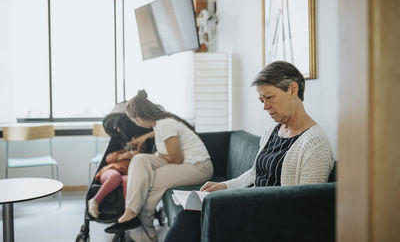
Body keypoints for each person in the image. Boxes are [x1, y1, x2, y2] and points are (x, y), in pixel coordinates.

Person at [164, 60, 335, 242]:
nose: (265, 106)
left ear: (293, 89)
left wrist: (243, 203)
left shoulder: (315, 144)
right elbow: (255, 173)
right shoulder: (272, 130)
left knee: (197, 216)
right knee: (191, 211)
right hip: (252, 205)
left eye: (269, 98)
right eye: (262, 100)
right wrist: (225, 186)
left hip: (269, 219)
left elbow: (305, 207)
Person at [104, 90, 213, 242]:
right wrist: (144, 138)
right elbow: (165, 142)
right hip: (185, 163)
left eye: (133, 120)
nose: (135, 124)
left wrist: (155, 155)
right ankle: (130, 211)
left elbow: (176, 158)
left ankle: (146, 234)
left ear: (139, 117)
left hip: (198, 167)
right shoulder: (161, 123)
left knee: (151, 181)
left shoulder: (165, 124)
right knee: (139, 160)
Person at [87, 143, 146, 219]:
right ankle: (95, 200)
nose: (138, 148)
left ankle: (128, 212)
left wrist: (138, 157)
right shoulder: (122, 152)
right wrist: (123, 156)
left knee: (128, 181)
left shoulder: (142, 158)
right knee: (115, 176)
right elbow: (108, 158)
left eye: (142, 147)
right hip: (110, 171)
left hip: (126, 175)